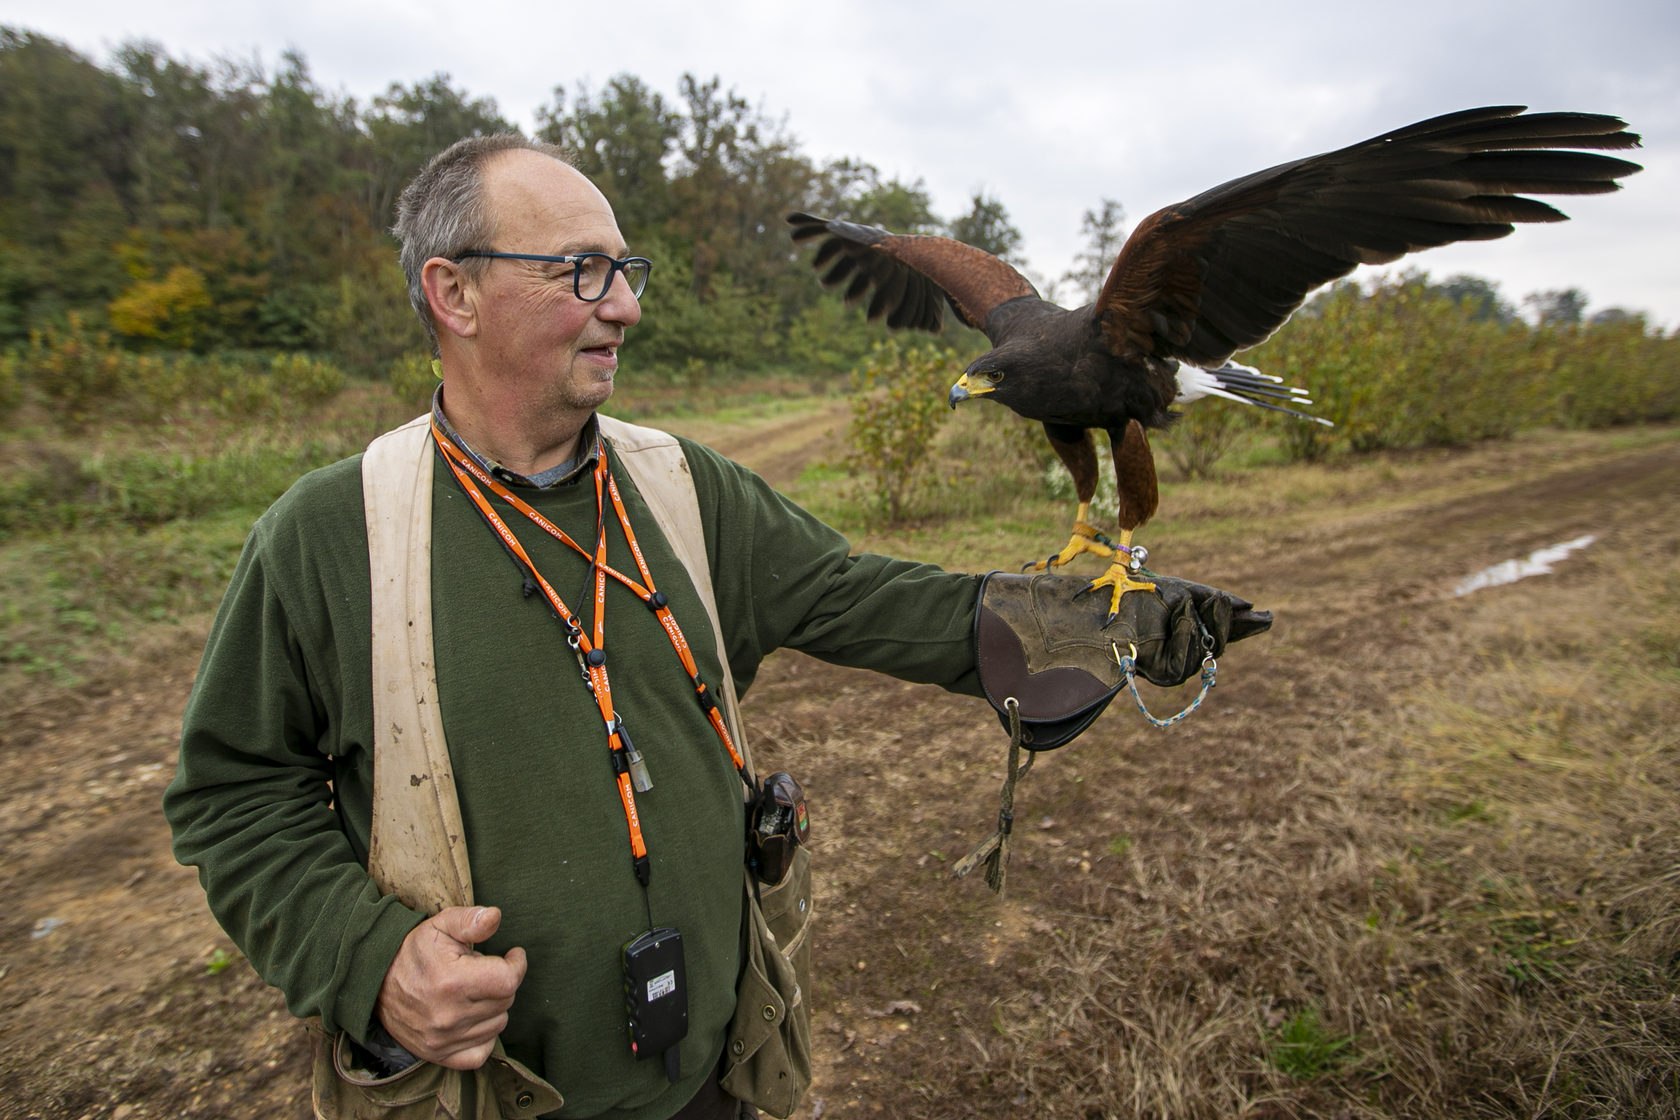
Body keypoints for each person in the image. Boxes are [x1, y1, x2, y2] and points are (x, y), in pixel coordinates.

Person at [164, 134, 1267, 1120]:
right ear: (453, 293)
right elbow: (233, 794)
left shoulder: (687, 489)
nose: (627, 306)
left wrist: (1095, 622)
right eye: (582, 271)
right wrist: (371, 959)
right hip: (482, 1092)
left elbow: (863, 597)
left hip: (713, 1070)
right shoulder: (330, 533)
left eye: (627, 270)